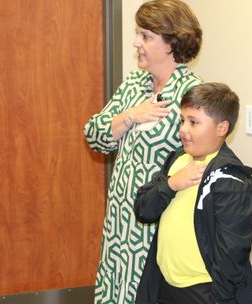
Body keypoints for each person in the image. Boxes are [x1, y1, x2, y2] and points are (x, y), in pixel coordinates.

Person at [83, 1, 202, 303]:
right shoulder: (134, 84)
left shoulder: (192, 93)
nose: (136, 43)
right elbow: (94, 135)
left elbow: (203, 157)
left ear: (172, 42)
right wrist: (130, 116)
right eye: (137, 34)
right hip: (121, 216)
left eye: (146, 36)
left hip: (159, 217)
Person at [134, 83, 252, 304]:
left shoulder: (230, 178)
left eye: (194, 122)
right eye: (182, 120)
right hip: (165, 286)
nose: (183, 129)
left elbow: (231, 255)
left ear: (222, 128)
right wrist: (171, 184)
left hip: (203, 292)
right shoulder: (177, 160)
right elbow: (144, 210)